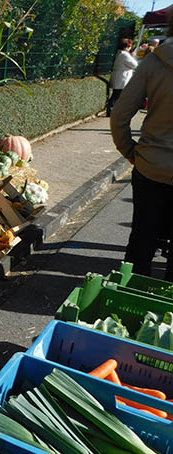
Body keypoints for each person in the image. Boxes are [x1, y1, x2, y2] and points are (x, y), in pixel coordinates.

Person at [110, 10, 173, 280]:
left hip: (151, 166)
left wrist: (131, 152)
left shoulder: (154, 62)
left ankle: (127, 304)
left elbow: (120, 115)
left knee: (142, 239)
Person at [107, 37, 138, 116]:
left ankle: (111, 110)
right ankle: (111, 110)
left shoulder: (119, 53)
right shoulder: (125, 55)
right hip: (122, 78)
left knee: (116, 95)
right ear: (127, 46)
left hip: (119, 77)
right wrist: (133, 56)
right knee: (117, 95)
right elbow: (135, 65)